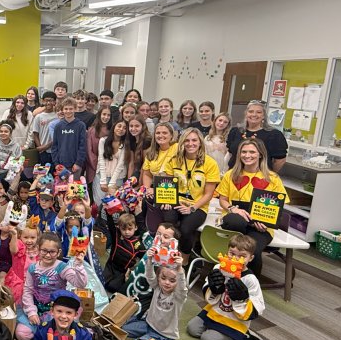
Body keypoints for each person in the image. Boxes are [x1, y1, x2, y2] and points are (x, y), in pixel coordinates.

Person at [216, 138, 289, 277]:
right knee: (234, 221)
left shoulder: (272, 178)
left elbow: (279, 206)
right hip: (236, 224)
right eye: (243, 152)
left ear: (260, 154)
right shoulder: (230, 175)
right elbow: (223, 200)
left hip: (260, 227)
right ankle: (226, 276)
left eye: (252, 152)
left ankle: (250, 286)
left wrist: (265, 221)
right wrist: (233, 209)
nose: (247, 155)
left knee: (252, 251)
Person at [187, 234, 265, 340]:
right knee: (192, 329)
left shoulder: (250, 280)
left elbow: (259, 307)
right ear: (227, 251)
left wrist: (242, 299)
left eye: (242, 256)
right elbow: (208, 289)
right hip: (215, 311)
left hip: (234, 320)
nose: (235, 259)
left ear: (251, 258)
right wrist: (214, 288)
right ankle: (215, 330)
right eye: (232, 254)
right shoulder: (218, 268)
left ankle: (243, 336)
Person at [122, 251, 187, 340]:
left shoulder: (179, 297)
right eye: (163, 278)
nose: (167, 283)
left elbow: (183, 288)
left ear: (177, 282)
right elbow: (150, 276)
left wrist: (180, 270)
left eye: (172, 281)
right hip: (148, 324)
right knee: (124, 329)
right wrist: (150, 260)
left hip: (163, 334)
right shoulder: (158, 287)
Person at [15, 232, 87, 340]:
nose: (48, 255)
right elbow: (28, 290)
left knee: (57, 335)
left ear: (58, 252)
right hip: (36, 306)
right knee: (21, 334)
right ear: (38, 249)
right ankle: (41, 331)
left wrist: (78, 265)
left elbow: (80, 284)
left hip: (56, 310)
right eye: (44, 250)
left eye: (52, 252)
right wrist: (31, 312)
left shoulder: (62, 267)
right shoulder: (32, 268)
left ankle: (46, 332)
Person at [162, 127, 220, 261]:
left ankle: (184, 259)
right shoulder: (174, 160)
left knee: (186, 229)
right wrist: (166, 199)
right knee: (169, 223)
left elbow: (208, 194)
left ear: (200, 142)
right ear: (182, 143)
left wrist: (192, 208)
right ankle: (166, 255)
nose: (190, 143)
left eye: (194, 140)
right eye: (186, 140)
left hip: (198, 206)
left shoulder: (210, 163)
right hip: (176, 201)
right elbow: (168, 186)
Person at [226, 100, 288, 172]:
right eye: (251, 111)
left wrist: (269, 175)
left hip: (259, 178)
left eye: (258, 112)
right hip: (234, 175)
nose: (254, 115)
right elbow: (230, 154)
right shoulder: (235, 131)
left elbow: (280, 160)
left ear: (263, 116)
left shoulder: (274, 135)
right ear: (246, 114)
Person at [102, 213, 144, 293]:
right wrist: (108, 213)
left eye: (129, 229)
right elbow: (111, 225)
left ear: (135, 228)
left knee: (112, 288)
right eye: (124, 229)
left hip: (123, 272)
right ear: (119, 228)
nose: (127, 232)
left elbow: (144, 258)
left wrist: (133, 271)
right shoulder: (117, 236)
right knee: (101, 282)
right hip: (111, 266)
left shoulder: (137, 244)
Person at [51, 97, 87, 176]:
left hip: (75, 165)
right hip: (61, 166)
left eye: (71, 109)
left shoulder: (81, 125)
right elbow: (54, 146)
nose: (68, 111)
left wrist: (78, 163)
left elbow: (83, 146)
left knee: (74, 187)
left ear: (75, 109)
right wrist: (56, 163)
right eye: (66, 109)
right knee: (61, 188)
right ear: (62, 110)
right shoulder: (58, 126)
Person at [111, 116, 150, 189]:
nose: (133, 129)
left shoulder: (147, 141)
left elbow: (145, 166)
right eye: (131, 126)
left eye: (137, 126)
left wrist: (139, 185)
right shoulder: (131, 140)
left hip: (147, 175)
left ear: (143, 126)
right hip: (137, 172)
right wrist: (128, 183)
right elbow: (131, 163)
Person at [95, 118, 127, 199]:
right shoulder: (103, 140)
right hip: (102, 175)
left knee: (113, 205)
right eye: (119, 126)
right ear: (114, 127)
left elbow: (120, 165)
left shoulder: (125, 144)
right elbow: (101, 160)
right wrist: (103, 181)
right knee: (99, 204)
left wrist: (111, 184)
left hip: (117, 177)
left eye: (124, 128)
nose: (121, 129)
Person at [86, 107, 113, 196]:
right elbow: (89, 150)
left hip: (110, 166)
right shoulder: (92, 130)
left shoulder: (113, 130)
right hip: (94, 166)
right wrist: (97, 165)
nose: (106, 117)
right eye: (104, 114)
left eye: (108, 115)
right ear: (99, 115)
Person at [27, 90, 57, 165]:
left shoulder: (58, 116)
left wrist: (47, 146)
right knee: (43, 173)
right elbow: (35, 134)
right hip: (43, 152)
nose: (48, 103)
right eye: (46, 100)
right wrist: (41, 148)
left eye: (51, 101)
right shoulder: (38, 117)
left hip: (56, 150)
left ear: (55, 102)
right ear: (42, 101)